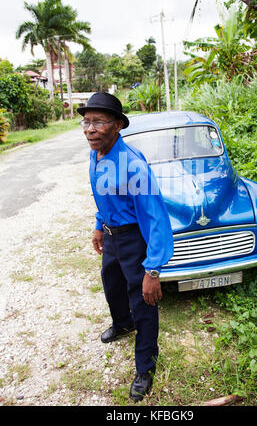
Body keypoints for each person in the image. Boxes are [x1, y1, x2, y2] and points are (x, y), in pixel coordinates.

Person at [77, 92, 174, 402]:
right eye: (86, 121)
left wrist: (153, 269)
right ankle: (123, 324)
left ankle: (145, 367)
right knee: (112, 285)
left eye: (98, 122)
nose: (89, 129)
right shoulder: (96, 153)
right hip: (111, 236)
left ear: (117, 125)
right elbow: (102, 194)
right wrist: (98, 225)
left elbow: (156, 218)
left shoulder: (133, 166)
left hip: (133, 240)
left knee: (143, 300)